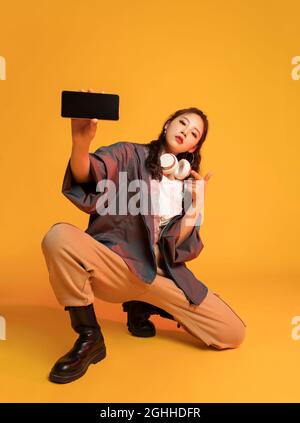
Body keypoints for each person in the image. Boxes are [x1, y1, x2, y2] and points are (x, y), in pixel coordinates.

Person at [41, 88, 246, 384]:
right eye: (183, 123)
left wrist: (198, 203)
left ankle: (144, 305)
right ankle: (89, 337)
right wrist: (80, 143)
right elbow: (87, 175)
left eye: (194, 134)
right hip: (119, 269)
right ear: (168, 125)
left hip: (161, 278)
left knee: (232, 333)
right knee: (58, 237)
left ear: (193, 148)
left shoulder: (186, 184)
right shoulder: (128, 154)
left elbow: (179, 248)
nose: (186, 131)